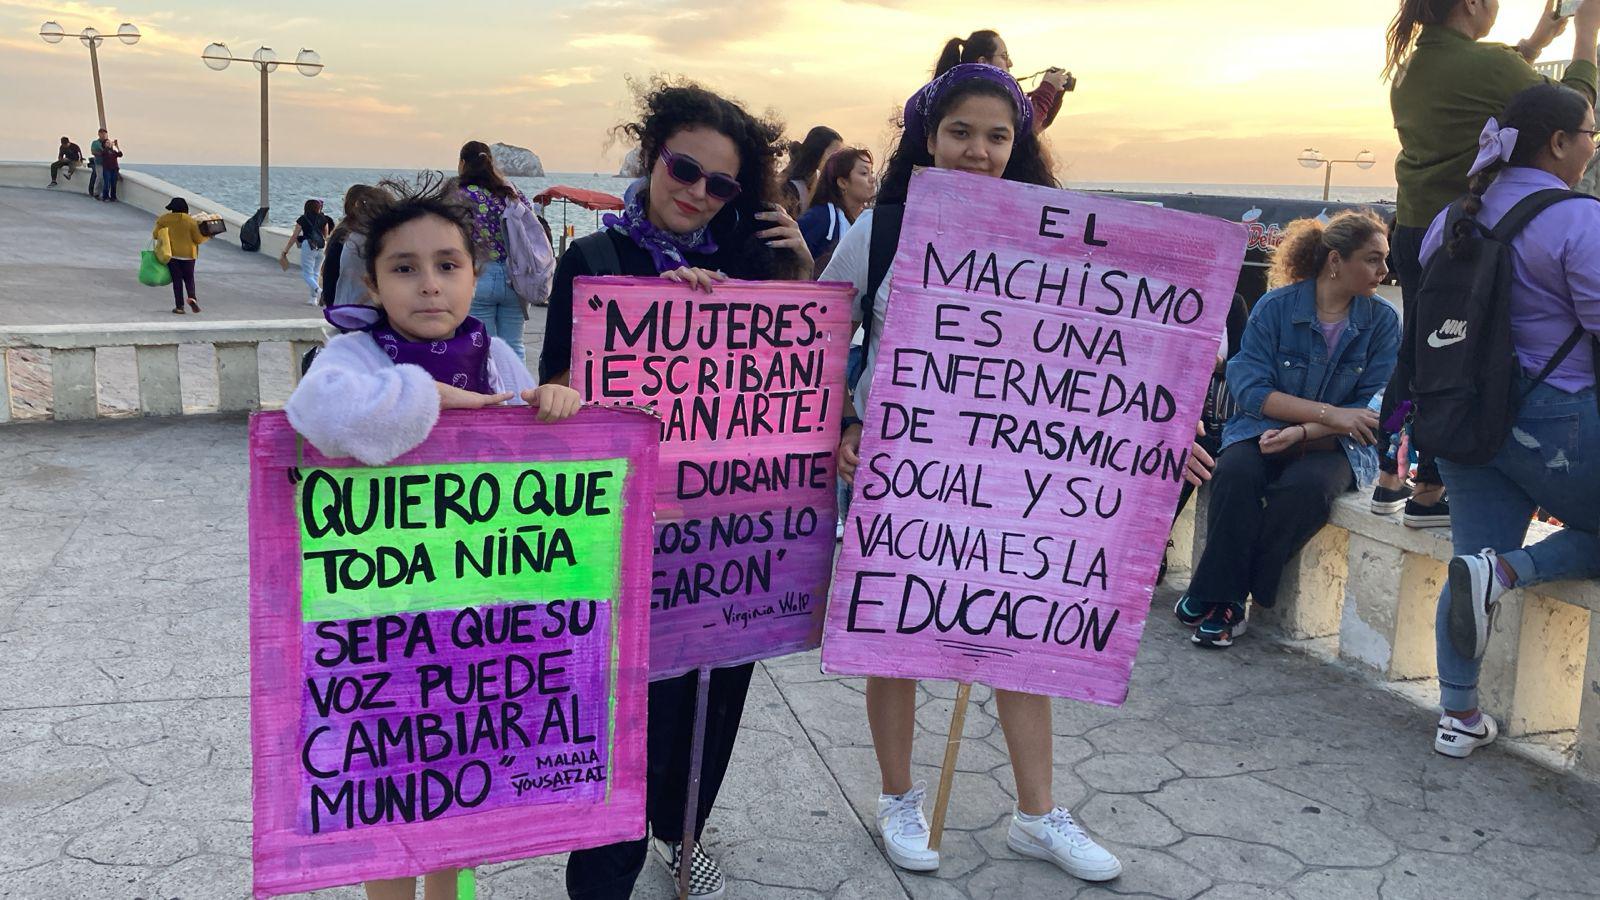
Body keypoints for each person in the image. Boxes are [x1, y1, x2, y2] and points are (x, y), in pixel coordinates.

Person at [827, 63, 1145, 885]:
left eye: (998, 136)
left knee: (1018, 635)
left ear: (1021, 144)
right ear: (927, 139)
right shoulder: (884, 228)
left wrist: (1152, 426)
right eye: (960, 133)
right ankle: (899, 796)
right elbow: (823, 334)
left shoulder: (1057, 234)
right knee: (894, 635)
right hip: (901, 466)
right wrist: (847, 423)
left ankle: (1037, 814)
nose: (978, 151)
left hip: (1014, 470)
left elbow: (1113, 347)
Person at [539, 77, 812, 900]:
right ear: (654, 156)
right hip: (624, 536)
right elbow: (560, 381)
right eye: (684, 169)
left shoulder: (748, 265)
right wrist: (657, 312)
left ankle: (684, 830)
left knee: (714, 701)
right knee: (621, 713)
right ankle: (602, 874)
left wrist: (796, 276)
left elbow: (792, 387)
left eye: (720, 184)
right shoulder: (591, 260)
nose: (696, 193)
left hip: (727, 536)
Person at [285, 176, 582, 899]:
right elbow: (317, 412)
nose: (429, 285)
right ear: (373, 281)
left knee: (456, 778)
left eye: (448, 265)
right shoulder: (356, 355)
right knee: (387, 782)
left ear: (475, 277)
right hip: (379, 627)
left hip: (475, 620)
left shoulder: (495, 358)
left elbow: (548, 466)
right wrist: (433, 396)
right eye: (405, 268)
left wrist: (554, 400)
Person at [1418, 84, 1600, 759]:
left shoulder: (1450, 219)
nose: (1591, 145)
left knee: (1471, 556)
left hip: (1464, 421)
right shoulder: (1580, 220)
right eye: (1590, 133)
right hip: (1552, 424)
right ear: (1558, 142)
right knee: (1498, 564)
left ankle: (1457, 716)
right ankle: (1513, 573)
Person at [1380, 0, 1600, 526]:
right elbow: (1566, 103)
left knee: (1430, 352)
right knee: (1491, 344)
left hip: (1427, 226)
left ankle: (1400, 476)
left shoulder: (1411, 67)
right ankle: (1431, 484)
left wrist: (1534, 45)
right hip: (1487, 230)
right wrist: (1587, 31)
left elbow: (1494, 85)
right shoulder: (1575, 215)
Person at [1176, 212, 1400, 647]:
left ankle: (1222, 594)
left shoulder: (1383, 322)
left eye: (1385, 260)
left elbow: (1375, 409)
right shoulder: (1276, 308)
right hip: (1262, 427)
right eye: (1373, 260)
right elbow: (1250, 389)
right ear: (1336, 260)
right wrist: (1332, 413)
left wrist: (1306, 431)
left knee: (1305, 490)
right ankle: (1227, 598)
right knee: (1235, 474)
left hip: (1339, 446)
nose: (1384, 271)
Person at [452, 139, 540, 359]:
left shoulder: (459, 195)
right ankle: (518, 392)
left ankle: (491, 393)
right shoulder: (509, 192)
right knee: (514, 346)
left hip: (479, 275)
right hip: (514, 275)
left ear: (463, 163)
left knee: (483, 347)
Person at [935, 30, 1073, 133]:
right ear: (983, 62)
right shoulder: (973, 96)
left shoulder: (961, 89)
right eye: (1004, 56)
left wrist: (1056, 92)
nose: (1010, 63)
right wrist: (1047, 88)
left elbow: (1039, 125)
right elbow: (1027, 126)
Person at [797, 147, 874, 269]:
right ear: (843, 182)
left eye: (872, 173)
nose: (872, 179)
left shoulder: (870, 220)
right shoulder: (821, 217)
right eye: (864, 173)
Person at [328, 185, 385, 309]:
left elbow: (331, 271)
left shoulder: (347, 232)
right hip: (361, 309)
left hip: (346, 305)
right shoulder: (364, 235)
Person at [153, 198, 210, 314]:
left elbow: (155, 235)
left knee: (177, 280)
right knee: (189, 278)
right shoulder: (190, 221)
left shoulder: (164, 219)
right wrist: (208, 235)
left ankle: (179, 307)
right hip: (189, 255)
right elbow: (198, 239)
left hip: (172, 255)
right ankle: (192, 297)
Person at [779, 125, 842, 217]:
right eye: (835, 154)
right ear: (818, 152)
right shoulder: (790, 188)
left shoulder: (822, 186)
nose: (839, 161)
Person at [280, 199, 334, 306]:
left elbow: (294, 236)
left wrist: (286, 250)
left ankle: (319, 291)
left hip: (308, 246)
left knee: (306, 274)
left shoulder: (302, 219)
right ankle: (313, 299)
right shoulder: (323, 219)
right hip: (321, 247)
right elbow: (325, 236)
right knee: (316, 273)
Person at [97, 134, 122, 202]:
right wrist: (111, 144)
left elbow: (120, 154)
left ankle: (113, 197)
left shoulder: (114, 152)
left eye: (109, 142)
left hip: (114, 169)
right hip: (107, 169)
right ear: (104, 144)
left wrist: (117, 146)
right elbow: (105, 152)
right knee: (107, 183)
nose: (109, 143)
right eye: (107, 143)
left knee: (113, 183)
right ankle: (105, 197)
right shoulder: (104, 151)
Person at [87, 128, 106, 198]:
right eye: (102, 134)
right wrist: (102, 153)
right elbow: (93, 152)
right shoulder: (95, 143)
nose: (103, 135)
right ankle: (96, 193)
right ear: (99, 134)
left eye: (104, 134)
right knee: (100, 177)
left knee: (105, 178)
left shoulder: (106, 142)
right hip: (98, 163)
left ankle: (103, 193)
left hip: (106, 163)